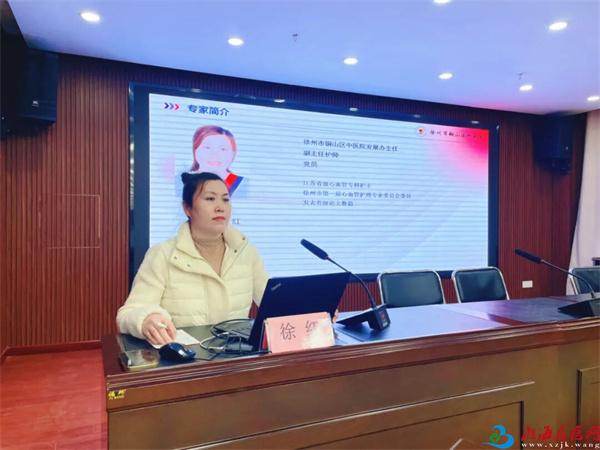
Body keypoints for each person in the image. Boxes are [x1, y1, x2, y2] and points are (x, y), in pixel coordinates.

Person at [117, 172, 268, 346]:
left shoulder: (246, 251)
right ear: (187, 208)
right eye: (210, 199)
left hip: (236, 354)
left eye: (225, 199)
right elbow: (129, 313)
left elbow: (271, 302)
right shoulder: (162, 254)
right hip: (185, 356)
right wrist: (146, 320)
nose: (220, 207)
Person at [189, 125, 243, 194]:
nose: (215, 155)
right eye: (207, 147)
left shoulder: (242, 184)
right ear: (195, 150)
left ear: (233, 153)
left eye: (223, 149)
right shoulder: (182, 182)